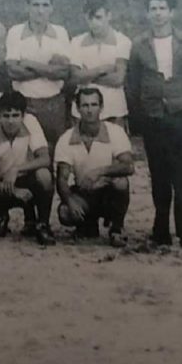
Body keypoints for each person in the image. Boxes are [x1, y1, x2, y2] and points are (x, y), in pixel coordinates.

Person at [126, 0, 182, 248]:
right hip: (153, 116)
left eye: (162, 8)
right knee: (159, 174)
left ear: (172, 12)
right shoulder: (139, 45)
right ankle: (160, 230)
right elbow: (132, 84)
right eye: (153, 8)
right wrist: (139, 118)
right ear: (147, 13)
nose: (157, 13)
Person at [55, 88, 134, 248]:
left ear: (101, 107)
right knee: (65, 212)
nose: (90, 110)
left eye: (94, 105)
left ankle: (116, 229)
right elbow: (61, 178)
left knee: (121, 182)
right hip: (84, 192)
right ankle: (88, 225)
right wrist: (70, 201)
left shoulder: (115, 132)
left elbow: (128, 166)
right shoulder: (66, 138)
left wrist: (99, 172)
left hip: (108, 191)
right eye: (85, 105)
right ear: (77, 109)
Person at [0, 92, 55, 244]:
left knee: (44, 175)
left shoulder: (31, 122)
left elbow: (45, 159)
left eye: (15, 115)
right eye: (6, 116)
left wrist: (16, 169)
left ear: (23, 115)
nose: (11, 121)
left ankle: (42, 224)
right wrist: (13, 190)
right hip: (0, 183)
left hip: (25, 178)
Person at [5, 0, 72, 155]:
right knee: (27, 153)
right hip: (25, 103)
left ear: (52, 8)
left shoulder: (60, 32)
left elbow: (64, 72)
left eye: (45, 5)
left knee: (58, 152)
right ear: (27, 6)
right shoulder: (15, 32)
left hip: (54, 104)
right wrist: (49, 69)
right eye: (35, 5)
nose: (40, 11)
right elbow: (13, 72)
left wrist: (30, 64)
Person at [69, 0, 132, 127]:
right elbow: (75, 77)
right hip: (83, 109)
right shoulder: (76, 42)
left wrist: (87, 75)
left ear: (109, 15)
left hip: (114, 109)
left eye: (98, 17)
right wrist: (102, 69)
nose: (94, 23)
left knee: (116, 146)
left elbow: (118, 79)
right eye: (90, 18)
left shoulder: (122, 41)